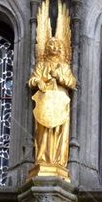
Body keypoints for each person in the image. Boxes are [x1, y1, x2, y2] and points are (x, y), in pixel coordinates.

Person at [28, 35, 76, 176]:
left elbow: (72, 83)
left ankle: (58, 161)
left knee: (59, 131)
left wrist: (59, 77)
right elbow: (31, 81)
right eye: (51, 45)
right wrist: (38, 81)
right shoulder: (41, 65)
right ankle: (42, 158)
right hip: (45, 101)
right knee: (43, 133)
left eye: (57, 46)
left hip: (60, 101)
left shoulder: (64, 66)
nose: (54, 48)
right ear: (47, 48)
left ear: (61, 48)